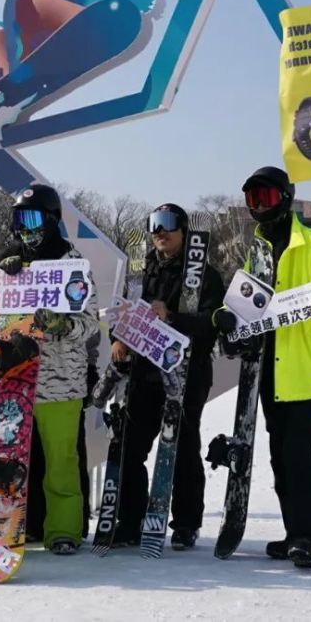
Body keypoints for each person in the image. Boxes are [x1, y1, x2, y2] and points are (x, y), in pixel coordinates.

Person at [215, 166, 311, 569]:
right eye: (252, 201)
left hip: (304, 368)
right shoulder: (258, 249)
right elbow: (245, 298)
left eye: (265, 199)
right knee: (280, 456)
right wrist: (226, 318)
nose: (258, 208)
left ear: (284, 198)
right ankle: (294, 533)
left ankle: (308, 536)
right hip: (269, 370)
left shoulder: (308, 243)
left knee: (299, 453)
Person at [109, 204, 225, 550]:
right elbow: (121, 311)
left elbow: (211, 326)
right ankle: (131, 520)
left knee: (183, 447)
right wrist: (118, 337)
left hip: (187, 374)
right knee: (130, 445)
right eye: (154, 225)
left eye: (169, 224)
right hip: (144, 373)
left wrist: (171, 316)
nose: (161, 231)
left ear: (184, 230)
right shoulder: (140, 272)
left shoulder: (204, 274)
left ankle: (186, 523)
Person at [0, 184, 98, 555]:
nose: (26, 229)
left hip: (59, 380)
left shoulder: (73, 265)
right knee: (10, 460)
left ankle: (64, 529)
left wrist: (63, 325)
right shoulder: (12, 262)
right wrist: (1, 275)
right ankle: (11, 525)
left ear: (52, 219)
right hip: (14, 380)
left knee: (60, 460)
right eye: (19, 220)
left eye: (33, 219)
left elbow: (90, 323)